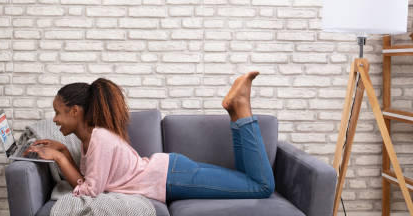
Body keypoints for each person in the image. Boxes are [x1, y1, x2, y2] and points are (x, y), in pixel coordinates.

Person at [24, 72, 274, 203]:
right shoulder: (91, 138)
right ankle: (236, 113)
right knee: (248, 181)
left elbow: (90, 192)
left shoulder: (98, 138)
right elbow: (89, 180)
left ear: (75, 111)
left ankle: (240, 109)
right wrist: (64, 153)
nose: (55, 119)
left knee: (260, 187)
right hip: (171, 172)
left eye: (58, 112)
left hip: (172, 178)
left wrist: (59, 158)